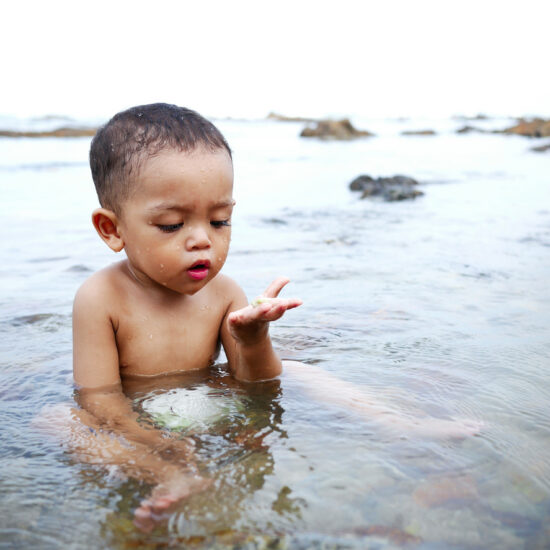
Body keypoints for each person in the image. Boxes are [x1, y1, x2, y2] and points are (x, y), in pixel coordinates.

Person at [40, 103, 480, 532]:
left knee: (300, 368)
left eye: (220, 220)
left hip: (207, 400)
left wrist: (253, 340)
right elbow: (99, 399)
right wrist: (161, 448)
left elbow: (260, 383)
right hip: (140, 421)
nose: (201, 241)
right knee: (60, 421)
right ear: (112, 229)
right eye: (172, 225)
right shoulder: (100, 298)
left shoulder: (224, 292)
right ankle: (168, 477)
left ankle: (399, 424)